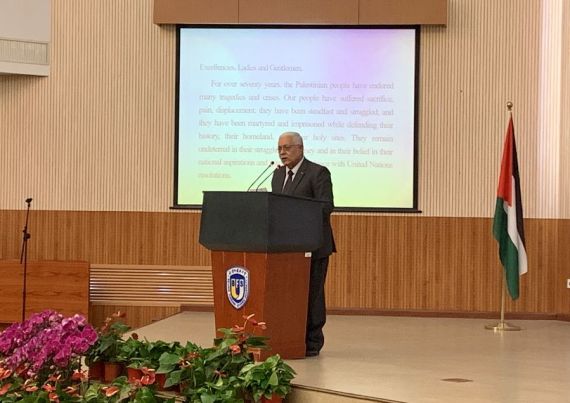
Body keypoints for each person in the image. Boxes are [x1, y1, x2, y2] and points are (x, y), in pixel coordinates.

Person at [271, 131, 336, 357]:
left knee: (312, 295)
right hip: (286, 249)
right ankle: (290, 337)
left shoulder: (317, 172)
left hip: (313, 247)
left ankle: (312, 341)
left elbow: (326, 207)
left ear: (300, 148)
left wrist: (295, 215)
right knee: (289, 296)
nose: (282, 152)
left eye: (287, 147)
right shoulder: (278, 175)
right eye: (279, 148)